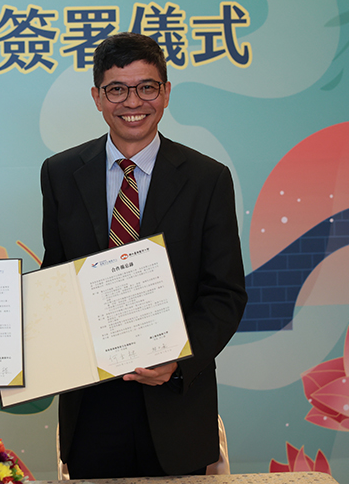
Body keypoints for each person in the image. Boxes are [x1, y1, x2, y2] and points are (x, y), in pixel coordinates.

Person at [40, 32, 247, 477]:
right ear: (97, 97)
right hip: (91, 406)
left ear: (166, 93)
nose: (132, 102)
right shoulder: (60, 173)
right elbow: (54, 276)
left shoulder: (207, 179)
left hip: (176, 404)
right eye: (117, 89)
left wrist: (177, 362)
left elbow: (225, 293)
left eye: (146, 87)